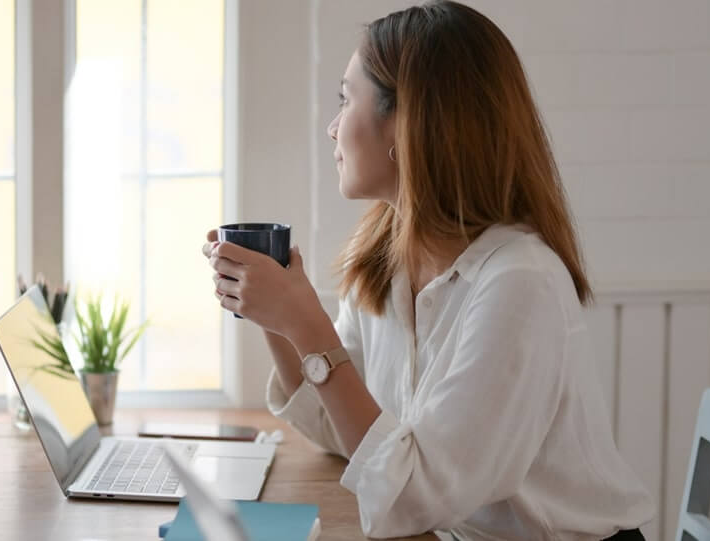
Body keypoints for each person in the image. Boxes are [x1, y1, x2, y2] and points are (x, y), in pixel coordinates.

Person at [200, 2, 654, 539]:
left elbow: (412, 497)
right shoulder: (389, 260)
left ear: (406, 122)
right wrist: (276, 317)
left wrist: (306, 326)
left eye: (346, 100)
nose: (331, 127)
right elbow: (344, 433)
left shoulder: (519, 283)